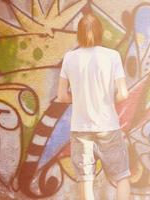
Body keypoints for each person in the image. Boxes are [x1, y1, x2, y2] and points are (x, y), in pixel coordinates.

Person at [56, 12, 131, 200]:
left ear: (79, 34)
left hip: (81, 129)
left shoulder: (69, 58)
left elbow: (61, 96)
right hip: (108, 127)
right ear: (100, 32)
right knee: (122, 176)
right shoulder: (112, 56)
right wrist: (104, 96)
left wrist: (81, 97)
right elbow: (123, 93)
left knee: (85, 180)